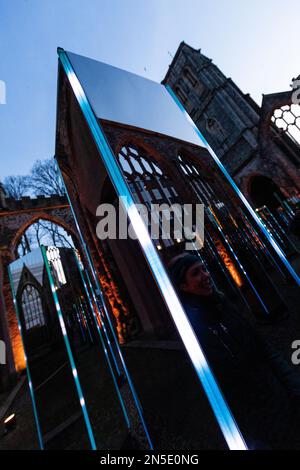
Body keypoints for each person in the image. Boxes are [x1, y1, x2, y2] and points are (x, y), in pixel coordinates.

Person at [168, 253, 300, 449]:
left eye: (204, 268)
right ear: (184, 286)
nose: (205, 275)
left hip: (279, 399)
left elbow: (263, 348)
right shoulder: (193, 332)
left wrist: (293, 386)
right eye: (195, 273)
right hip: (255, 423)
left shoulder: (224, 305)